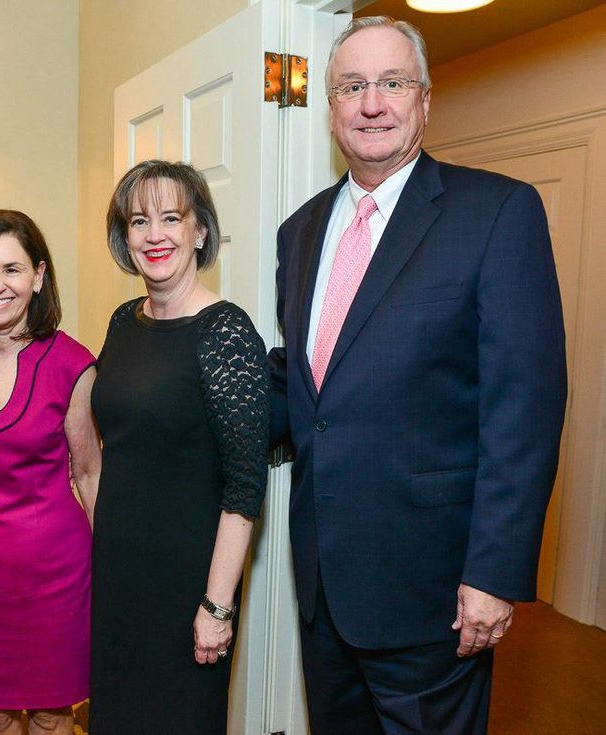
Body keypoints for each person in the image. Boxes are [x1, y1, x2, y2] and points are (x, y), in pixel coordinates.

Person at [267, 17, 567, 734]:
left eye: (393, 83)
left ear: (425, 99)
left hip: (432, 595)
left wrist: (494, 573)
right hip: (323, 589)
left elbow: (523, 407)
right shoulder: (300, 230)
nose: (373, 103)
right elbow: (308, 387)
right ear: (331, 107)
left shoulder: (497, 212)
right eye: (352, 86)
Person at [90, 160, 269, 733]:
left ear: (199, 231)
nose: (155, 234)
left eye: (172, 218)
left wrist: (217, 606)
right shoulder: (123, 321)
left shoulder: (226, 333)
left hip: (188, 584)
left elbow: (245, 488)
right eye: (140, 221)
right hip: (119, 577)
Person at [0, 209, 99, 735]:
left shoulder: (73, 364)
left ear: (39, 275)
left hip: (55, 571)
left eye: (12, 269)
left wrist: (116, 570)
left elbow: (90, 475)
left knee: (53, 714)